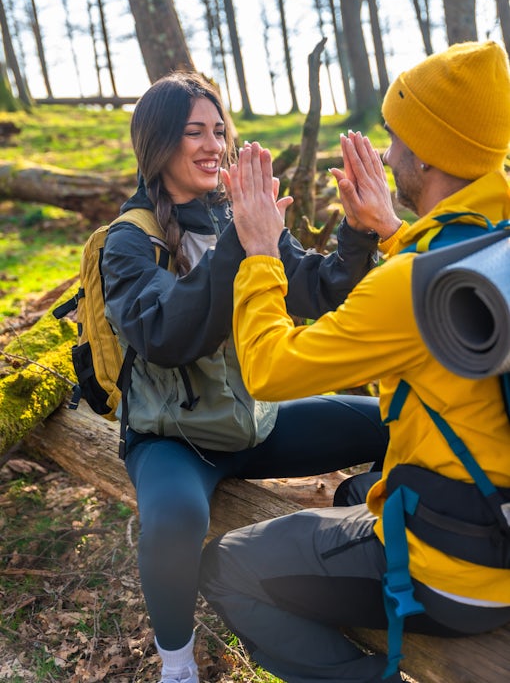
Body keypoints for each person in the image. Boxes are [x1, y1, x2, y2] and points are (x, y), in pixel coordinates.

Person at [199, 40, 510, 683]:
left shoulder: (406, 288)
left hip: (462, 575)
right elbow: (442, 300)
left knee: (226, 568)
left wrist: (260, 250)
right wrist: (396, 231)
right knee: (351, 491)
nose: (388, 153)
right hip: (496, 525)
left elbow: (269, 370)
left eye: (396, 137)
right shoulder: (489, 242)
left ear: (426, 152)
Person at [101, 71, 398, 683]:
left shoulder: (236, 214)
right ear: (158, 144)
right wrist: (243, 237)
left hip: (255, 422)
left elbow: (316, 290)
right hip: (174, 442)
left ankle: (366, 511)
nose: (213, 145)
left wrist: (360, 230)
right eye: (193, 133)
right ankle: (176, 665)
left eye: (219, 130)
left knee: (392, 421)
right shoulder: (129, 241)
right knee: (176, 518)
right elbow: (164, 336)